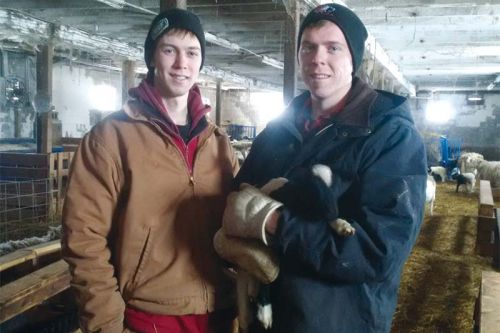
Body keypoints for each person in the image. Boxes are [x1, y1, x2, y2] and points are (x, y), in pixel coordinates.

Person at [215, 3, 427, 333]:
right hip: (266, 316)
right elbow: (241, 199)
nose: (318, 58)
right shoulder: (279, 130)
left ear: (354, 58)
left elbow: (377, 252)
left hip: (338, 321)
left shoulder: (390, 137)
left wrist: (275, 223)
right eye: (308, 47)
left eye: (333, 48)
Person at [62, 8, 238, 333]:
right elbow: (83, 239)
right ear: (152, 58)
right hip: (149, 318)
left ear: (201, 62)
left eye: (192, 53)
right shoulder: (111, 138)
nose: (181, 64)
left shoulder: (219, 143)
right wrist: (106, 325)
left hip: (221, 314)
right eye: (169, 50)